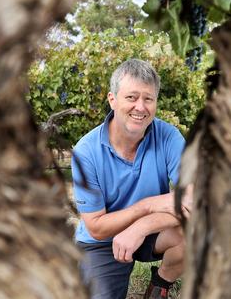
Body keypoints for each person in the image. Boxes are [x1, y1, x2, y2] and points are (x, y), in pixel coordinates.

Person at [71, 59, 190, 299]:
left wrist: (141, 227)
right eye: (131, 97)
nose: (141, 107)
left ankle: (160, 284)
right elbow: (96, 227)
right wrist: (147, 206)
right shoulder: (86, 152)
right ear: (112, 99)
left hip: (152, 232)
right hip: (101, 243)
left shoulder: (168, 137)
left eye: (148, 99)